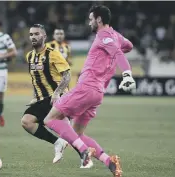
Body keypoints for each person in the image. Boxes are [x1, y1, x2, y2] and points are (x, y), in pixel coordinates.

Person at [43, 5, 136, 177]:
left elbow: (117, 53)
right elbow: (128, 46)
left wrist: (127, 74)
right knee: (76, 133)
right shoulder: (115, 36)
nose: (89, 22)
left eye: (91, 19)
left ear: (99, 20)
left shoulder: (104, 36)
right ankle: (110, 161)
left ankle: (85, 151)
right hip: (98, 93)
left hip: (86, 88)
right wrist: (114, 52)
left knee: (50, 118)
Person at [21, 24, 77, 163]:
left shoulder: (53, 53)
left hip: (56, 99)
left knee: (71, 135)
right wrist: (35, 97)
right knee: (27, 122)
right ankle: (58, 143)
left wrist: (57, 93)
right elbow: (36, 79)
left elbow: (67, 75)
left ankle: (91, 154)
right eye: (31, 34)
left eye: (37, 34)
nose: (33, 37)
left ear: (44, 36)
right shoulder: (29, 56)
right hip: (42, 100)